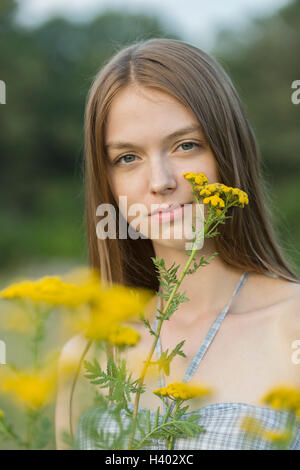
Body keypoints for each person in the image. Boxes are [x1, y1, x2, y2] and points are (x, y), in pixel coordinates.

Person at [55, 38, 300, 450]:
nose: (161, 181)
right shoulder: (85, 356)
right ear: (108, 182)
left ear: (229, 151)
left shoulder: (291, 327)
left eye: (186, 145)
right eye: (127, 158)